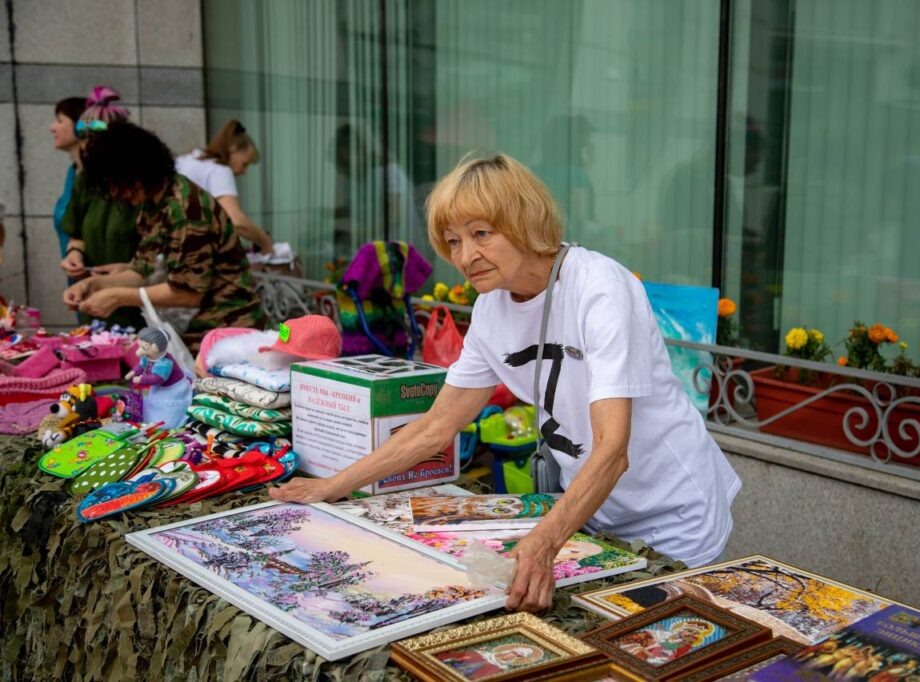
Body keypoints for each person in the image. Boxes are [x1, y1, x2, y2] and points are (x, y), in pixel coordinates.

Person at [271, 154, 741, 612]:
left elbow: (612, 449)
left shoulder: (600, 287)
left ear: (524, 222)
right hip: (594, 513)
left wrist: (544, 541)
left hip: (675, 514)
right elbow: (437, 426)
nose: (466, 256)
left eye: (481, 234)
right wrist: (331, 486)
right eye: (453, 241)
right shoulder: (490, 308)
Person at [62, 121, 265, 353]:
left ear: (135, 173)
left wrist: (117, 297)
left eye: (114, 184)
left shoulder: (186, 209)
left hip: (226, 334)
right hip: (192, 334)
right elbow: (142, 270)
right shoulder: (151, 203)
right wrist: (93, 284)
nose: (114, 194)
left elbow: (187, 293)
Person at [58, 86, 143, 330]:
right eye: (82, 136)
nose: (86, 145)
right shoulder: (83, 181)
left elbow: (162, 257)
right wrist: (74, 254)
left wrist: (132, 269)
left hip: (140, 303)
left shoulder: (143, 187)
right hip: (94, 300)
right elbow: (77, 235)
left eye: (95, 137)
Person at [175, 119, 273, 253]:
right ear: (233, 150)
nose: (244, 172)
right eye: (245, 164)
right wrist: (265, 242)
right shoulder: (219, 169)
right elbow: (236, 221)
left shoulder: (191, 158)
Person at [125, 327, 191, 428]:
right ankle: (151, 420)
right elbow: (142, 365)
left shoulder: (165, 363)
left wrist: (141, 379)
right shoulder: (148, 356)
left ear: (155, 347)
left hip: (173, 388)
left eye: (144, 348)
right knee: (151, 402)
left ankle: (166, 424)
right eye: (139, 346)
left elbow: (158, 378)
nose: (138, 351)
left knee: (167, 407)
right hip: (159, 386)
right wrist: (133, 372)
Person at [49, 95, 87, 258]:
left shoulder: (97, 179)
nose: (52, 127)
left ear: (80, 127)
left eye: (59, 120)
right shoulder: (73, 173)